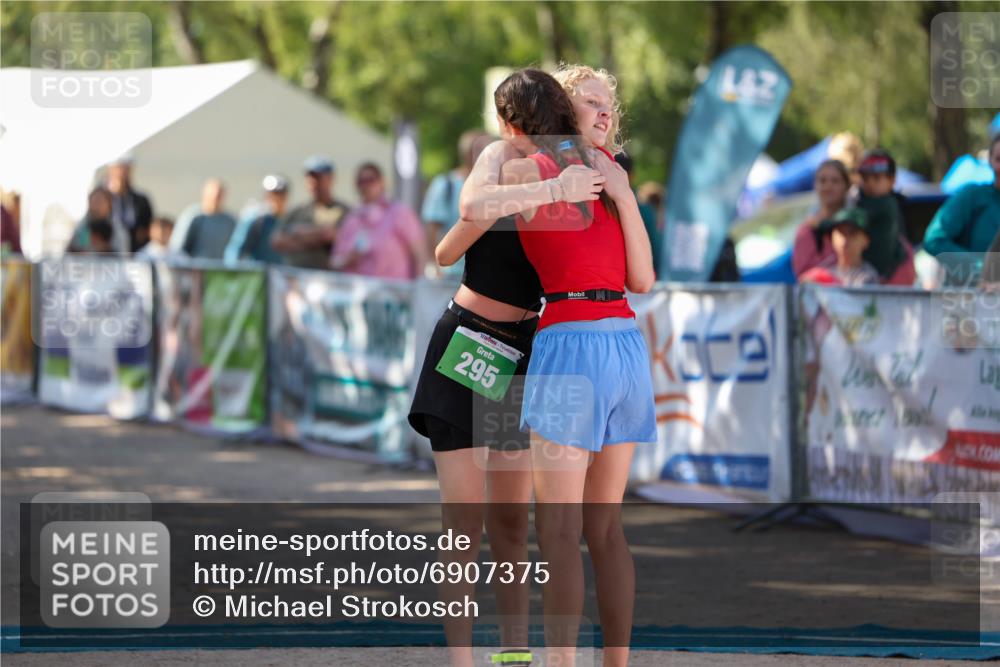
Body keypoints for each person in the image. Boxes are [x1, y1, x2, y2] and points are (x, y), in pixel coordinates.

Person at [462, 65, 655, 667]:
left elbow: (644, 278)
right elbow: (642, 282)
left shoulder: (586, 172)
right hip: (624, 348)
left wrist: (621, 193)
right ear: (563, 110)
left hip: (575, 343)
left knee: (565, 532)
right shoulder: (550, 167)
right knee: (601, 530)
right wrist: (608, 190)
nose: (604, 110)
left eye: (607, 102)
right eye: (590, 100)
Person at [412, 77, 605, 667]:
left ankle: (515, 652)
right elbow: (448, 247)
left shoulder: (580, 170)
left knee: (510, 521)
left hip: (525, 351)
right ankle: (462, 660)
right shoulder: (499, 158)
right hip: (468, 342)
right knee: (463, 524)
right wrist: (539, 190)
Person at [924, 134, 1000, 286]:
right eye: (999, 159)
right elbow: (934, 239)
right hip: (968, 295)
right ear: (990, 161)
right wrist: (981, 269)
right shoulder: (972, 196)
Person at [330, 163, 427, 279]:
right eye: (361, 181)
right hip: (359, 286)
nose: (366, 185)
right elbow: (334, 261)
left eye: (370, 180)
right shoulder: (352, 219)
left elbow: (419, 252)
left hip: (395, 287)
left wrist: (420, 283)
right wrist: (348, 259)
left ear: (382, 182)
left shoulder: (400, 213)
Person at [421, 130, 492, 276]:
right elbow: (431, 229)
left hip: (485, 273)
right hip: (451, 274)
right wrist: (433, 266)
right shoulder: (445, 184)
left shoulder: (496, 185)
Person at [271, 156, 350, 269]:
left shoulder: (344, 211)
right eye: (310, 178)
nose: (314, 182)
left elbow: (340, 238)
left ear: (331, 179)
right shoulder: (297, 211)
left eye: (319, 178)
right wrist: (317, 237)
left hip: (329, 275)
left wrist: (299, 234)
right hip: (297, 273)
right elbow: (277, 241)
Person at [854, 149, 915, 285]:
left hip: (889, 277)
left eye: (876, 178)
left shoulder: (886, 204)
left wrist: (823, 223)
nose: (870, 183)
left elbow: (854, 217)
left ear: (892, 180)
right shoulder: (869, 202)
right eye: (865, 178)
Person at [792, 160, 851, 277]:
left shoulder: (855, 225)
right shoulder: (807, 230)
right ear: (815, 185)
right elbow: (802, 274)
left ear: (847, 186)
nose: (828, 186)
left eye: (835, 181)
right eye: (822, 181)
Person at [800, 208, 881, 286]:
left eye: (852, 233)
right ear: (831, 238)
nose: (845, 239)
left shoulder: (868, 276)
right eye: (840, 232)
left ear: (865, 240)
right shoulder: (825, 270)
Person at [614, 151, 662, 277]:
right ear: (632, 175)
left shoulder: (594, 206)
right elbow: (655, 249)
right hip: (638, 277)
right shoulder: (645, 211)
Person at [224, 174, 290, 264]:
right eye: (273, 194)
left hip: (280, 271)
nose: (277, 198)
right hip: (257, 271)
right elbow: (236, 250)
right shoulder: (255, 219)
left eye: (280, 194)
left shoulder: (289, 220)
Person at [171, 179, 237, 260]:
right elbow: (178, 247)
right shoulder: (193, 216)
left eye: (219, 195)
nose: (215, 198)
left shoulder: (230, 221)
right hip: (194, 265)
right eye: (213, 195)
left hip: (219, 266)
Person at [104, 154, 153, 252]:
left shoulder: (141, 200)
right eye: (121, 168)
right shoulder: (100, 199)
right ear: (111, 170)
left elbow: (147, 229)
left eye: (127, 169)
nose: (124, 173)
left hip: (135, 252)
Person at [68, 187, 127, 254]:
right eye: (94, 202)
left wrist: (105, 249)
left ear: (109, 205)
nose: (96, 206)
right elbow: (73, 250)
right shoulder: (83, 227)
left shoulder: (117, 230)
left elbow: (123, 255)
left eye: (100, 202)